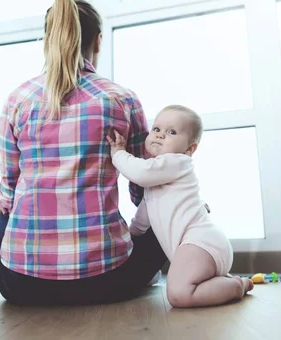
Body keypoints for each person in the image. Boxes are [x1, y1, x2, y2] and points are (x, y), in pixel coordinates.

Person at [0, 0, 167, 306]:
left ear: (48, 38)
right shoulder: (121, 99)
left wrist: (3, 205)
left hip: (22, 287)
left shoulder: (18, 99)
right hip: (107, 281)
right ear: (98, 42)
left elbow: (9, 184)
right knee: (164, 221)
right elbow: (143, 187)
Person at [107, 105, 254, 308]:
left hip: (202, 243)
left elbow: (140, 173)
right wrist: (128, 239)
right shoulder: (157, 180)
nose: (160, 136)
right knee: (181, 287)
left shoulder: (177, 162)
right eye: (156, 129)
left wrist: (118, 154)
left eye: (171, 132)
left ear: (190, 149)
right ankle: (220, 282)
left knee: (178, 294)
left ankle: (237, 286)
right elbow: (141, 222)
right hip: (199, 249)